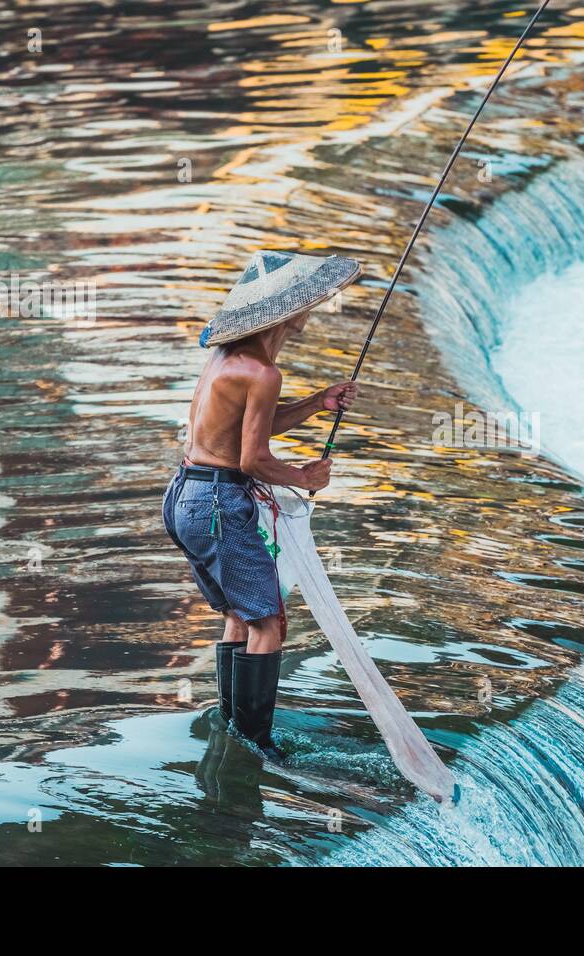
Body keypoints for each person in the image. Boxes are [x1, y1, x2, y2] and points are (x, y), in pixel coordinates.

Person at [162, 250, 362, 757]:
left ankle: (232, 728)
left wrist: (317, 403)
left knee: (240, 616)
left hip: (186, 496)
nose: (311, 309)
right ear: (285, 313)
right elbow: (252, 460)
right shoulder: (263, 373)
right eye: (305, 303)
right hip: (216, 502)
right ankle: (256, 744)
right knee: (269, 622)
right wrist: (304, 476)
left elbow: (247, 428)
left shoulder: (232, 359)